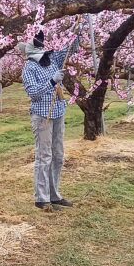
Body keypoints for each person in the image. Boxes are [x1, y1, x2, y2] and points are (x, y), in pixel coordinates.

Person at [21, 27, 79, 212]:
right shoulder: (29, 67)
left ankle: (55, 195)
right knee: (44, 156)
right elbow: (33, 93)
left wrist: (79, 29)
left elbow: (70, 49)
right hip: (42, 116)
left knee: (58, 156)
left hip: (58, 112)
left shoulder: (52, 59)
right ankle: (41, 198)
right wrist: (52, 82)